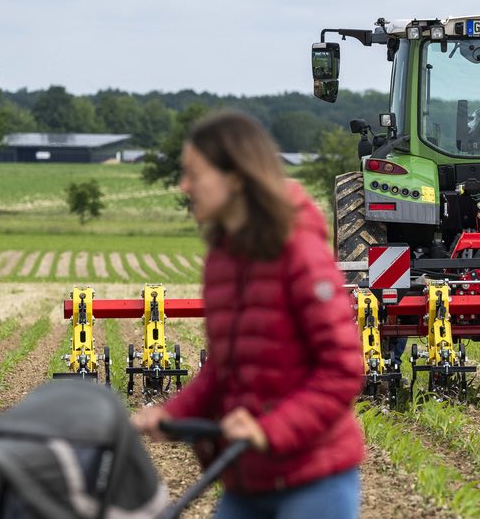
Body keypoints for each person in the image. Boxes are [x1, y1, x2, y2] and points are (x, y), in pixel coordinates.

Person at [131, 110, 364, 518]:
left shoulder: (300, 253)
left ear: (236, 177)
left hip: (313, 480)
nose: (184, 186)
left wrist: (269, 430)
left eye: (193, 174)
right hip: (247, 477)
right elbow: (224, 370)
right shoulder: (222, 261)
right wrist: (171, 416)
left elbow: (341, 370)